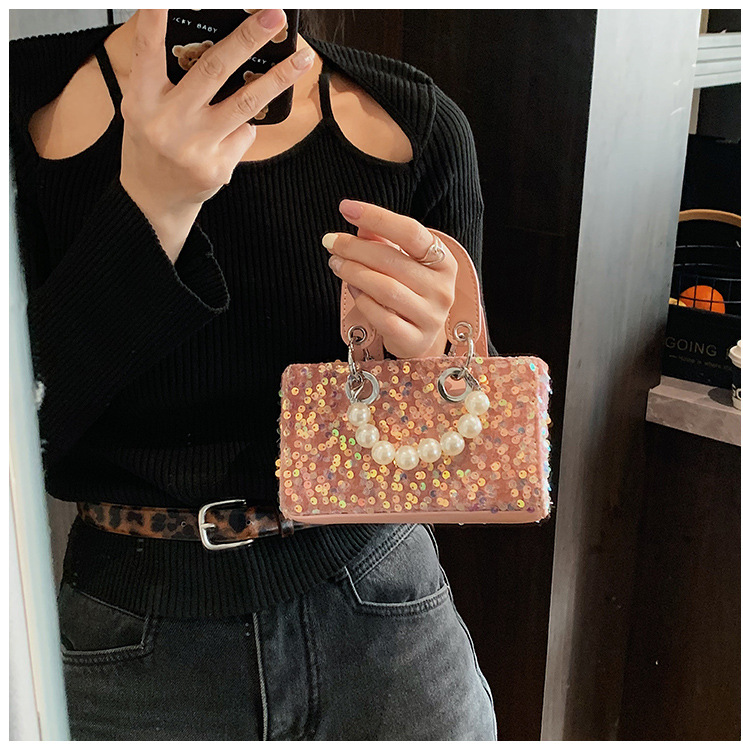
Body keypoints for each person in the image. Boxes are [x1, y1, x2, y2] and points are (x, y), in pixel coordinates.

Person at [10, 9, 498, 740]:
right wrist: (149, 212)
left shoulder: (413, 123)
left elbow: (468, 441)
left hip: (385, 624)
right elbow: (19, 438)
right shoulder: (24, 102)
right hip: (133, 642)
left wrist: (434, 355)